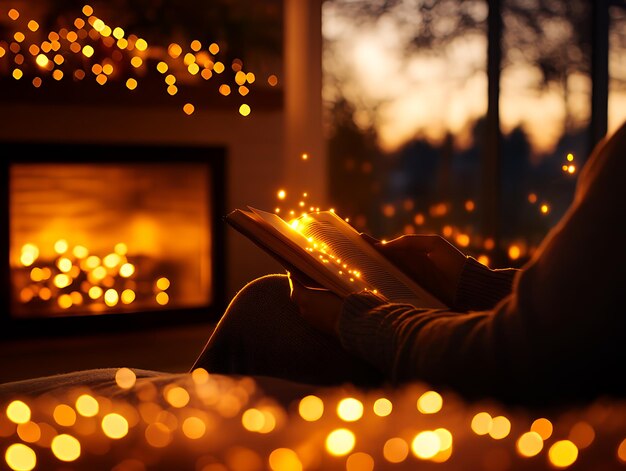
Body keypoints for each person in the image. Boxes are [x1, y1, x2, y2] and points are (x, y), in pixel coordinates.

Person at [193, 120, 626, 407]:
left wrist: (360, 321)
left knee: (268, 307)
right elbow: (593, 307)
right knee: (272, 300)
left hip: (533, 406)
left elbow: (517, 357)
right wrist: (469, 284)